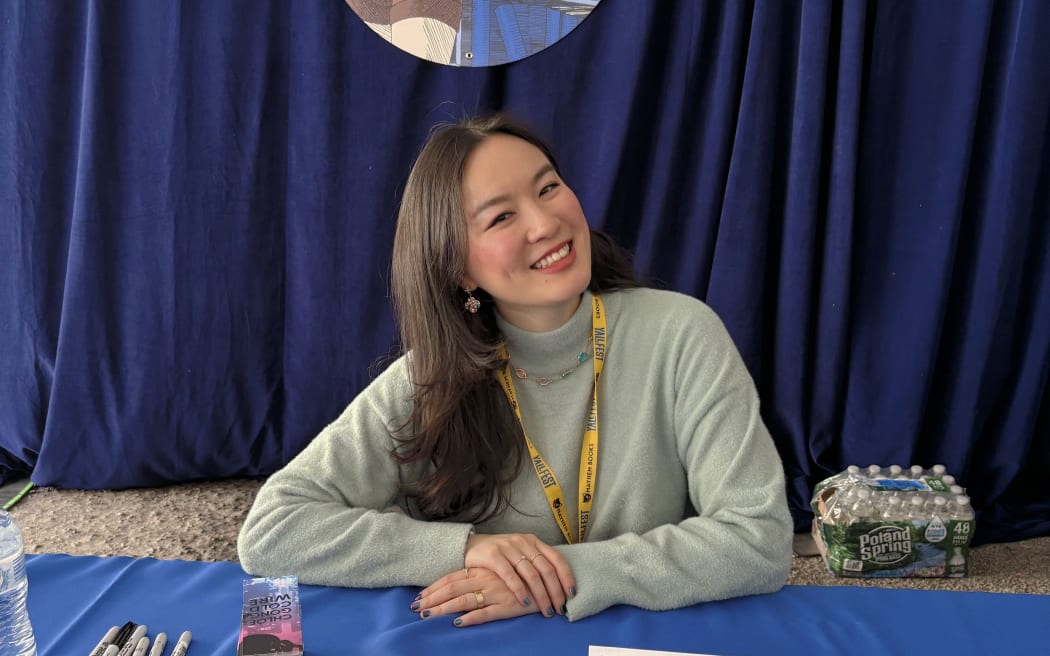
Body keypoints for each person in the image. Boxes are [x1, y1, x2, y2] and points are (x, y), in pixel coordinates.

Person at [237, 113, 794, 626]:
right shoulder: (433, 376)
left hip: (646, 630)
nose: (545, 222)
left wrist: (558, 575)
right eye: (502, 216)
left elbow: (759, 540)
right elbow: (272, 529)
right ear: (459, 269)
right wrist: (466, 549)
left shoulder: (683, 333)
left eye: (548, 187)